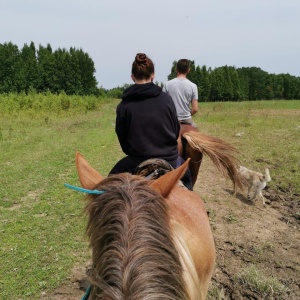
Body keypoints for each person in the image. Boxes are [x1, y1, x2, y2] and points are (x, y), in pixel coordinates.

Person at [109, 53, 193, 190]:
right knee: (188, 178)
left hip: (135, 161)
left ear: (132, 77)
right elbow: (175, 131)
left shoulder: (124, 105)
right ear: (153, 75)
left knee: (107, 185)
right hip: (170, 159)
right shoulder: (166, 99)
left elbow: (123, 141)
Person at [163, 59, 198, 127]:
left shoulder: (167, 84)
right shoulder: (193, 86)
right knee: (197, 134)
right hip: (187, 119)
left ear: (176, 69)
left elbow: (162, 105)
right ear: (188, 70)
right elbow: (195, 109)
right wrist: (187, 114)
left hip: (172, 120)